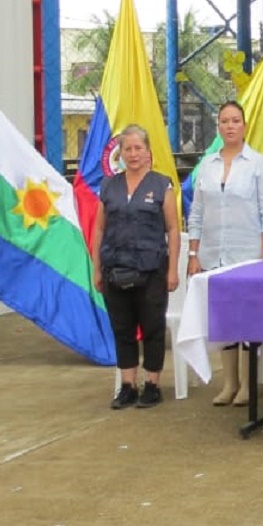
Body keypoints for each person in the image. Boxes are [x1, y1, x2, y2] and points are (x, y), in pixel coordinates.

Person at [186, 101, 263, 407]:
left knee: (248, 320)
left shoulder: (258, 164)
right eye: (224, 121)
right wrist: (193, 253)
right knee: (223, 320)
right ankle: (230, 383)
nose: (230, 126)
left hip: (247, 254)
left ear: (244, 125)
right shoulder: (207, 166)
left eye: (235, 120)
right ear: (218, 127)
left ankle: (249, 385)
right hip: (214, 254)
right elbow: (196, 214)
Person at [92, 124, 181, 410]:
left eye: (138, 148)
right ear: (121, 153)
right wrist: (96, 269)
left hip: (151, 270)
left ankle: (152, 384)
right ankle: (128, 386)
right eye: (127, 149)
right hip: (115, 269)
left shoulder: (161, 185)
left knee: (153, 327)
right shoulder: (109, 186)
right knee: (122, 328)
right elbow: (99, 229)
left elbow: (173, 229)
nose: (132, 154)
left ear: (148, 152)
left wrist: (172, 270)